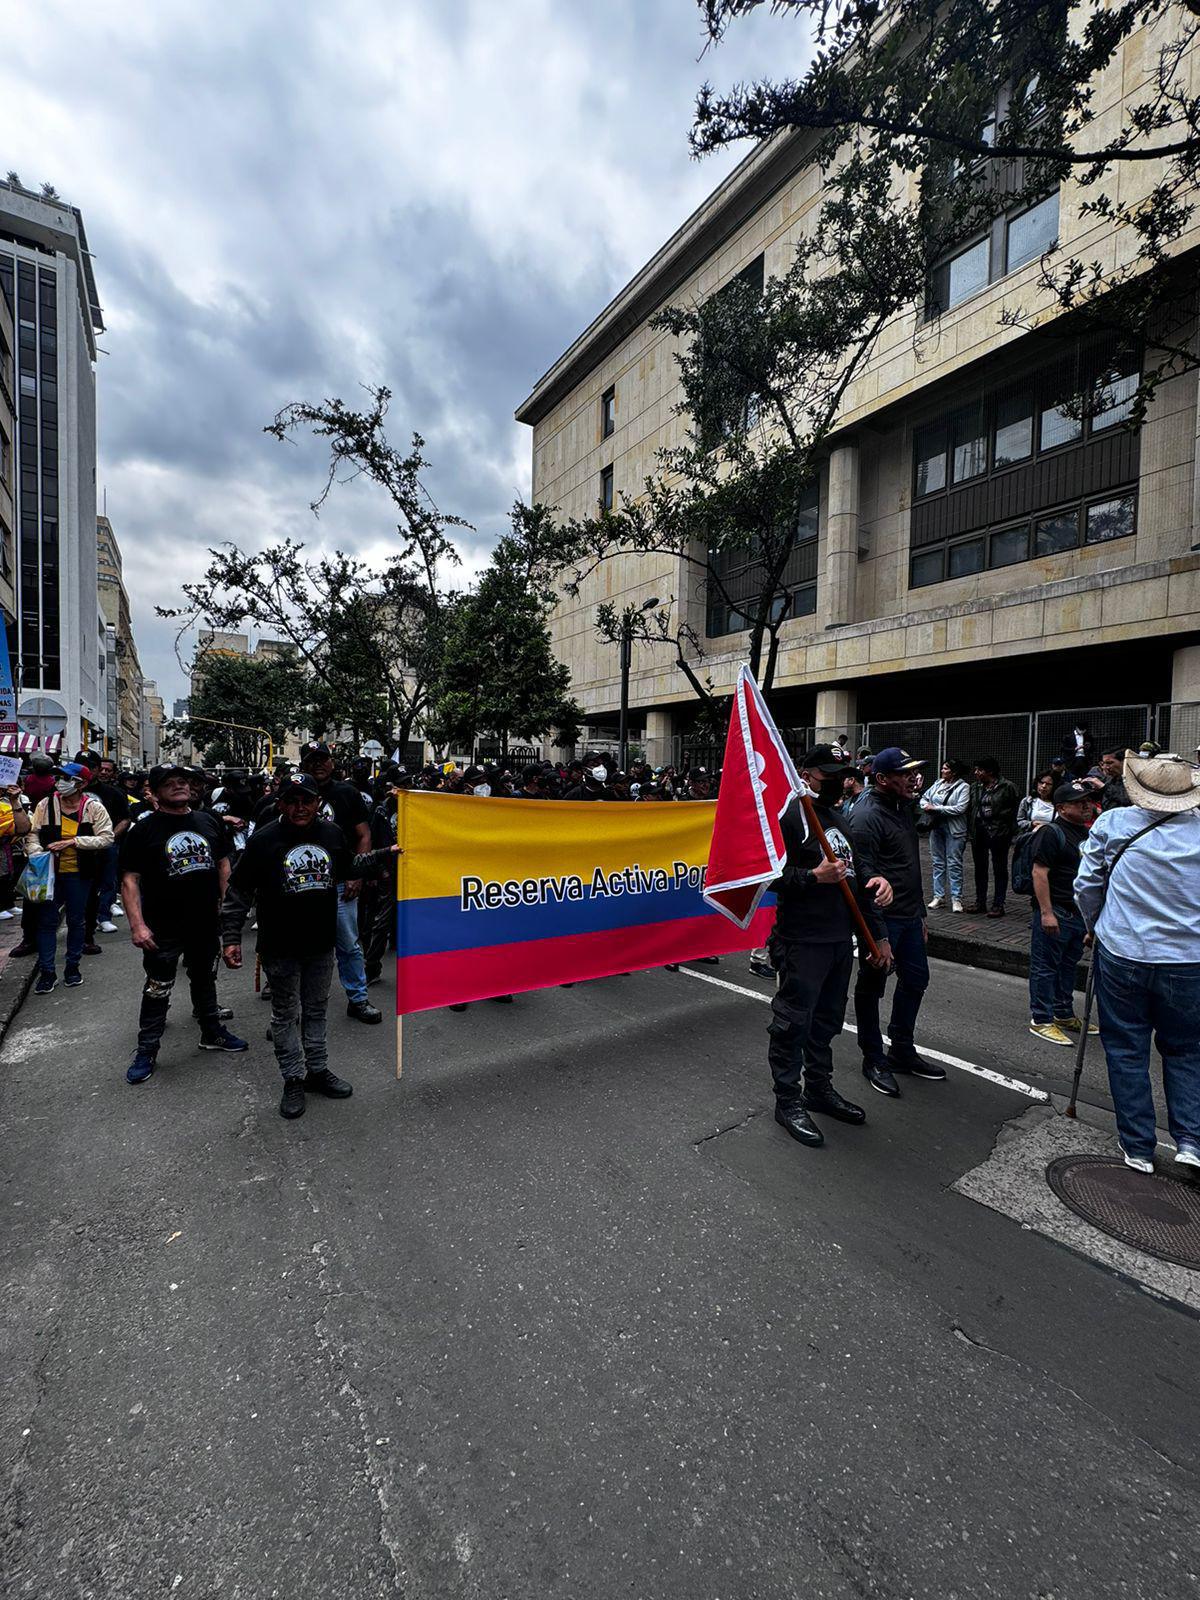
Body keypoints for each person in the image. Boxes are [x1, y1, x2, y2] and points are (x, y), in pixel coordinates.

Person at [220, 772, 396, 1119]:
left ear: (318, 803)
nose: (300, 807)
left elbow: (348, 865)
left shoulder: (331, 833)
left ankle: (317, 1071)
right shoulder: (263, 840)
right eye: (292, 800)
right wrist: (230, 937)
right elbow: (238, 892)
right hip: (279, 944)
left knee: (316, 1009)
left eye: (307, 800)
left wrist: (384, 854)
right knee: (286, 1015)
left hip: (320, 941)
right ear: (280, 803)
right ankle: (293, 1079)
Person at [1074, 750, 1200, 1173]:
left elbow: (1087, 884)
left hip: (1124, 951)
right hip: (1189, 958)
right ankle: (1190, 1140)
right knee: (1186, 1050)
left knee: (1126, 1048)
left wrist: (1093, 924)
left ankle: (1138, 1147)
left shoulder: (1114, 823)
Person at [769, 747, 893, 1148]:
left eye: (844, 773)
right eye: (830, 773)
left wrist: (875, 933)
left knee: (826, 1022)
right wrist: (812, 877)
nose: (839, 780)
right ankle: (787, 1100)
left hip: (841, 942)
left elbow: (855, 880)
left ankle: (818, 1090)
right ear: (805, 773)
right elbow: (767, 877)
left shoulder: (837, 817)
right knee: (793, 1023)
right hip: (803, 942)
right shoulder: (791, 816)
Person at [119, 763, 248, 1084]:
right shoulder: (143, 830)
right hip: (162, 925)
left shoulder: (208, 821)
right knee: (159, 986)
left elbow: (223, 866)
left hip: (204, 921)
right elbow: (129, 880)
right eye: (170, 782)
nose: (179, 786)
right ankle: (147, 1049)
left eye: (184, 781)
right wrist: (137, 925)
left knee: (205, 978)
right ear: (155, 791)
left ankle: (211, 1031)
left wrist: (228, 911)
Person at [849, 747, 946, 1096]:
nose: (912, 778)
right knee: (871, 987)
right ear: (881, 779)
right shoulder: (866, 817)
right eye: (904, 773)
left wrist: (919, 913)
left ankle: (901, 1049)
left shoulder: (902, 807)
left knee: (916, 979)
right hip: (883, 922)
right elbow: (864, 880)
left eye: (913, 771)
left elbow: (909, 867)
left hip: (909, 917)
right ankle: (873, 1057)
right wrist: (878, 936)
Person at [26, 763, 115, 994]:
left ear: (81, 784)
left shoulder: (93, 807)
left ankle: (72, 967)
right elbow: (33, 834)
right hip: (49, 874)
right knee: (46, 922)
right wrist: (36, 852)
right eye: (60, 776)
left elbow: (106, 838)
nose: (60, 781)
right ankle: (47, 972)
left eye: (67, 778)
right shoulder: (46, 805)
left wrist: (75, 841)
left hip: (79, 873)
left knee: (77, 921)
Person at [1027, 780, 1099, 1045]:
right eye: (1079, 803)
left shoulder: (1085, 834)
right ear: (1061, 808)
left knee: (1068, 966)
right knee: (1045, 967)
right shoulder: (1051, 833)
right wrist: (1046, 912)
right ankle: (1041, 1019)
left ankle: (1063, 1013)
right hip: (1056, 910)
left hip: (1077, 914)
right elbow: (1039, 873)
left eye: (1088, 801)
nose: (1087, 806)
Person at [79, 752, 131, 938]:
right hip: (75, 846)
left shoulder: (113, 793)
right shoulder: (67, 792)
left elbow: (125, 819)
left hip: (107, 845)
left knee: (108, 881)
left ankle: (103, 916)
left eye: (90, 767)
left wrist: (108, 838)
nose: (86, 770)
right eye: (81, 765)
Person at [967, 757, 1019, 917]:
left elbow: (1014, 809)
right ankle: (980, 901)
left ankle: (998, 904)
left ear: (989, 771)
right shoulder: (975, 787)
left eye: (979, 770)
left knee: (999, 868)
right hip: (979, 831)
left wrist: (1006, 828)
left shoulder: (1007, 787)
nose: (976, 773)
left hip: (999, 832)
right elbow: (972, 808)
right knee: (980, 868)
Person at [920, 758, 969, 912]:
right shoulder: (937, 784)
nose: (942, 771)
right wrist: (927, 806)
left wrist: (936, 808)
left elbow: (960, 808)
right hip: (936, 827)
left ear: (953, 772)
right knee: (937, 862)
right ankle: (938, 896)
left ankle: (956, 898)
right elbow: (924, 798)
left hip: (954, 829)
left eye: (946, 769)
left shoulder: (963, 787)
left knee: (954, 863)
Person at [1016, 771, 1056, 836]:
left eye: (1048, 784)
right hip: (1031, 837)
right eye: (1041, 782)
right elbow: (1020, 821)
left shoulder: (1059, 804)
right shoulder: (1028, 801)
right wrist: (1031, 824)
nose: (1043, 786)